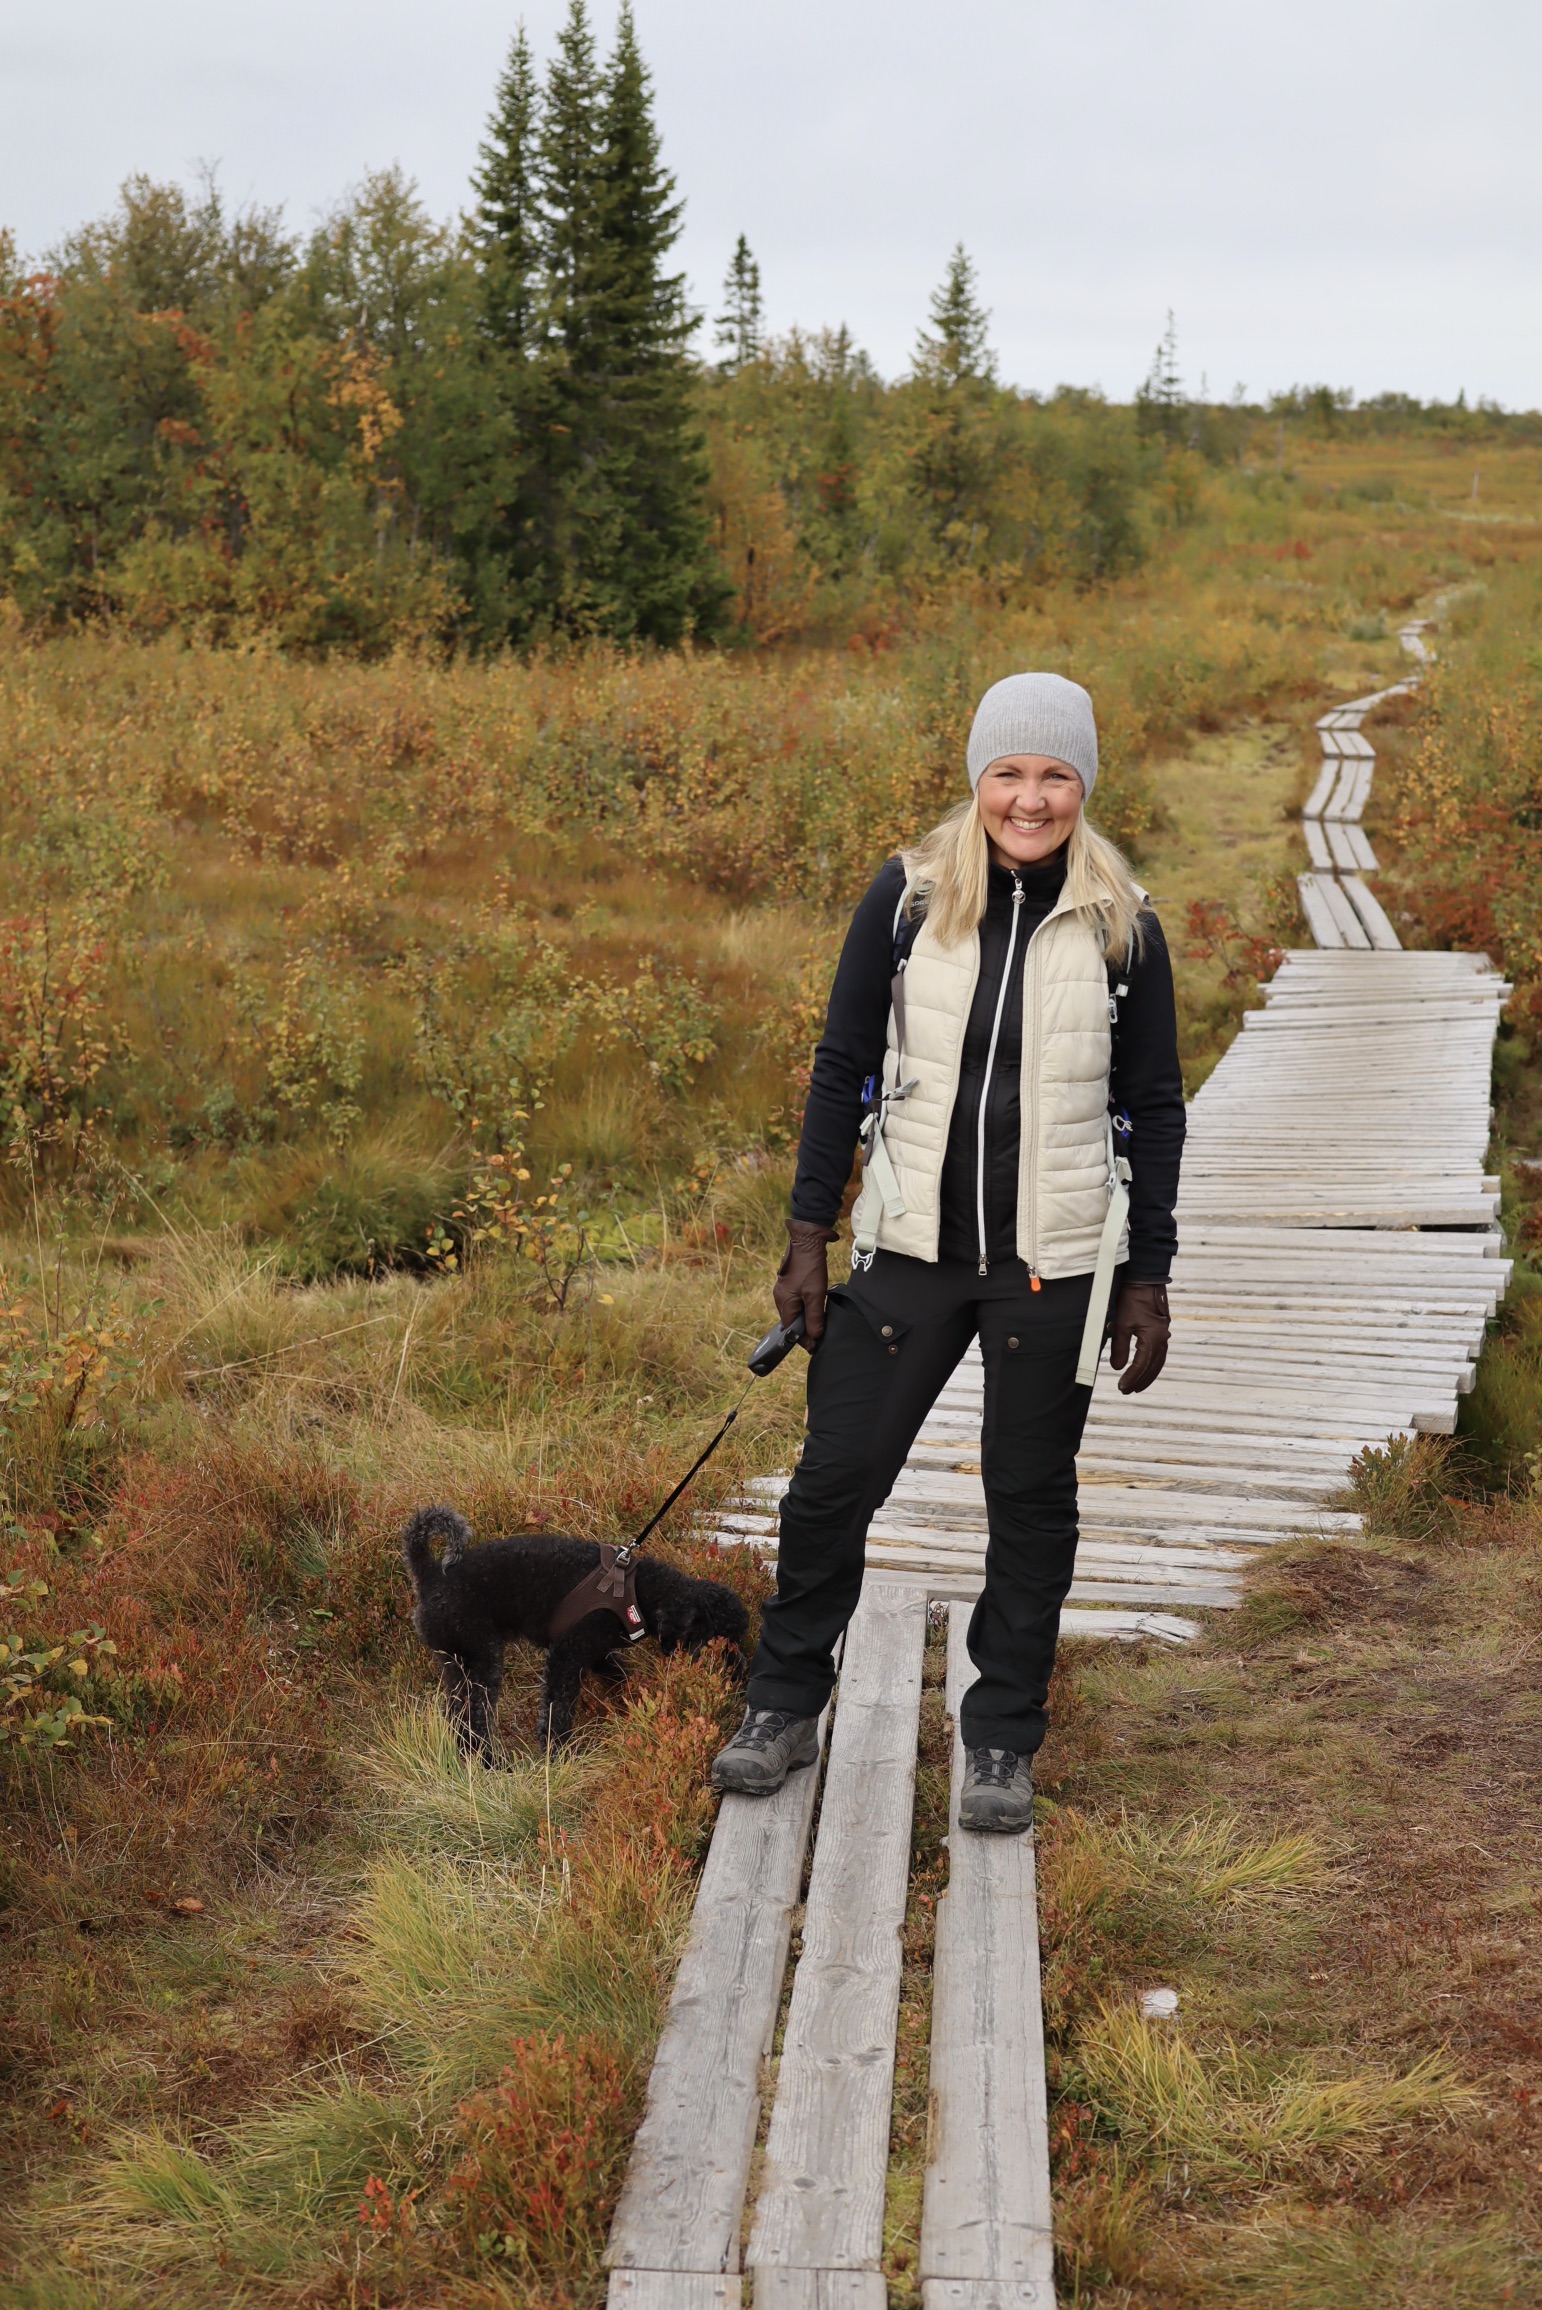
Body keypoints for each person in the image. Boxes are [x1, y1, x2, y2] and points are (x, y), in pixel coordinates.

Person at [711, 671, 1185, 1831]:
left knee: (1029, 1501)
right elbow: (841, 1067)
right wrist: (807, 1235)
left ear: (1084, 783)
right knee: (832, 1485)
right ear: (978, 778)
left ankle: (1000, 1740)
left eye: (1055, 774)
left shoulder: (1126, 925)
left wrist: (1148, 1274)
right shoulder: (910, 898)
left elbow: (1155, 1104)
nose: (1031, 798)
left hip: (1051, 1268)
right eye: (1010, 773)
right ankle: (782, 1705)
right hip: (908, 1257)